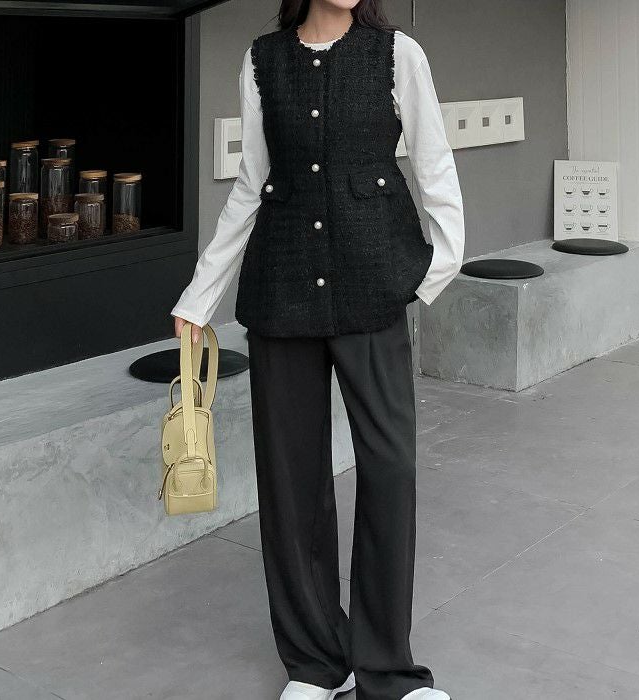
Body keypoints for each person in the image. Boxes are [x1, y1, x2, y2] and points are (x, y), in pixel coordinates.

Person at [171, 1, 465, 698]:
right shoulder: (263, 60)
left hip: (373, 292)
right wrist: (199, 297)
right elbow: (251, 184)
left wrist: (433, 268)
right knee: (292, 484)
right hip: (282, 293)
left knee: (389, 469)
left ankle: (388, 671)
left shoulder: (397, 55)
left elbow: (434, 166)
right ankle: (315, 662)